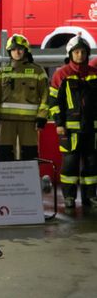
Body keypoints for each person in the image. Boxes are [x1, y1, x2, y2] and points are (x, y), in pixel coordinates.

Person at [48, 35, 97, 208]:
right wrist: (59, 123)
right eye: (76, 52)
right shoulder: (61, 74)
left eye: (83, 52)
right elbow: (53, 102)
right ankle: (69, 197)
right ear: (70, 53)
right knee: (70, 164)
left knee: (92, 164)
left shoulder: (93, 74)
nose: (80, 55)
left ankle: (90, 196)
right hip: (69, 130)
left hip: (91, 129)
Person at [0, 34, 49, 161]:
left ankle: (28, 181)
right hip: (6, 121)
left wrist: (42, 117)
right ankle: (5, 181)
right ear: (10, 51)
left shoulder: (38, 71)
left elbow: (45, 96)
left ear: (26, 50)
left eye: (20, 49)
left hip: (30, 122)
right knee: (4, 154)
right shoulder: (3, 72)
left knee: (29, 155)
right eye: (14, 49)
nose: (17, 52)